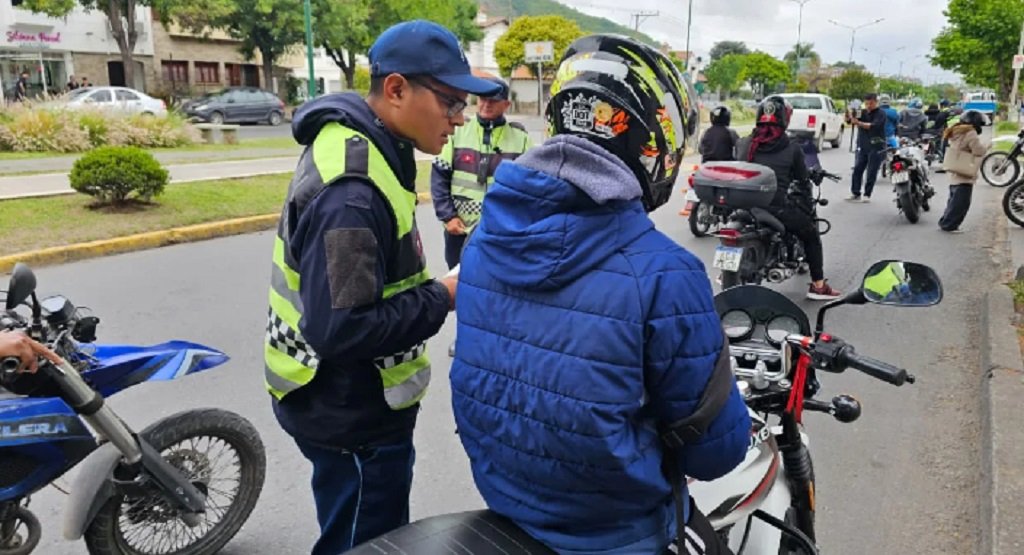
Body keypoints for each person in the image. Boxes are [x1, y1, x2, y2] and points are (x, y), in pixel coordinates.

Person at [450, 34, 751, 555]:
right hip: (619, 532)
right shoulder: (666, 272)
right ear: (656, 140)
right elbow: (714, 455)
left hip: (506, 504)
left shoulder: (482, 242)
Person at [262, 20, 501, 555]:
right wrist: (447, 294)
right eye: (450, 102)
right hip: (351, 414)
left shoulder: (365, 145)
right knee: (365, 542)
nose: (460, 118)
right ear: (396, 90)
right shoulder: (352, 191)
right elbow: (344, 329)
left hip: (336, 401)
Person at [739, 95, 842, 300]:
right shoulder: (791, 146)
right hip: (775, 208)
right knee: (811, 234)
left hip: (742, 205)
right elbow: (802, 178)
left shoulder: (744, 142)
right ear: (785, 118)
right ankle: (818, 286)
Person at [430, 76, 532, 270]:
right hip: (459, 230)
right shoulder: (458, 131)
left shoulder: (521, 139)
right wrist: (448, 217)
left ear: (506, 105)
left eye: (493, 100)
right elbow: (439, 177)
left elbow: (528, 186)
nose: (486, 104)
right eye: (482, 99)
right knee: (457, 283)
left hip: (500, 232)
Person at [939, 110, 989, 233]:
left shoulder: (955, 130)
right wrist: (987, 146)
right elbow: (978, 151)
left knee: (953, 199)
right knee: (961, 202)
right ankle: (950, 225)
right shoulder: (970, 132)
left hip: (954, 169)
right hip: (964, 171)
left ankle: (945, 221)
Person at [846, 92, 888, 202]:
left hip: (876, 145)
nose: (868, 106)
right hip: (863, 145)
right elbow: (851, 121)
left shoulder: (881, 114)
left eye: (871, 103)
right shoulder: (862, 112)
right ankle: (855, 193)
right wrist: (849, 115)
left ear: (876, 102)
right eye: (866, 103)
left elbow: (872, 126)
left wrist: (858, 123)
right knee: (857, 169)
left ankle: (867, 194)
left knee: (871, 171)